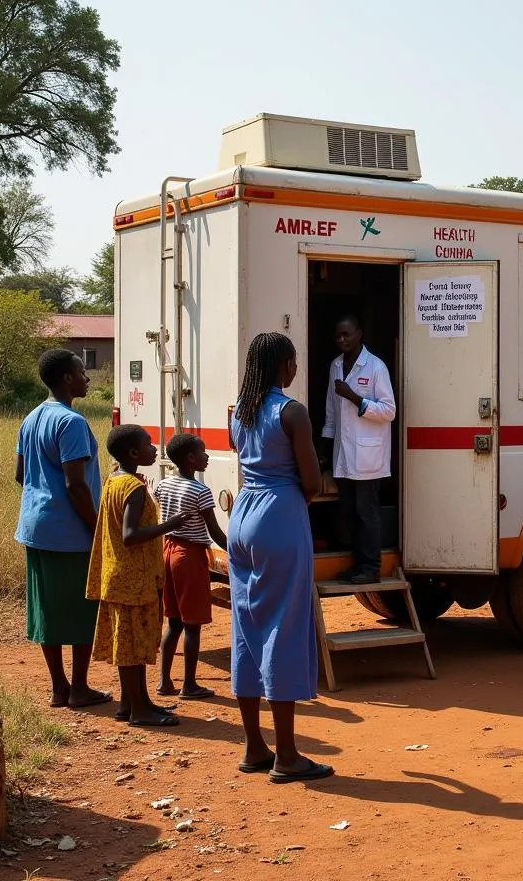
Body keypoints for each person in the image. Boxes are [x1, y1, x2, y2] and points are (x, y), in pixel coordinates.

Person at [230, 331, 332, 783]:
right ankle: (287, 755)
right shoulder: (292, 412)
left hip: (243, 514)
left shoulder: (242, 412)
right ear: (283, 366)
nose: (295, 370)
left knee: (247, 624)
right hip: (279, 513)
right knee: (284, 628)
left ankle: (255, 746)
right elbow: (312, 481)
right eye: (293, 362)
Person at [14, 348, 110, 710]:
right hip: (70, 531)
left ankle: (59, 687)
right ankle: (80, 688)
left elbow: (20, 474)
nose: (87, 378)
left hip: (35, 527)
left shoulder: (32, 418)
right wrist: (97, 525)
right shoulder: (71, 423)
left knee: (47, 610)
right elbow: (76, 484)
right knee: (84, 608)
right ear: (67, 379)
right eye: (82, 371)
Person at [88, 425, 190, 728]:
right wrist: (169, 524)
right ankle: (138, 710)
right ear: (133, 453)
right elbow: (131, 534)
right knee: (132, 649)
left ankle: (133, 702)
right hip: (133, 579)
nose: (154, 448)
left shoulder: (114, 480)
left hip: (120, 576)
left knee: (131, 645)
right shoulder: (132, 488)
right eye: (148, 445)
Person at [321, 314, 396, 585]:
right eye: (338, 336)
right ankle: (357, 566)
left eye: (347, 334)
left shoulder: (375, 367)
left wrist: (354, 397)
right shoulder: (336, 366)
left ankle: (371, 567)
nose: (342, 340)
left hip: (368, 455)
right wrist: (326, 444)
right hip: (343, 453)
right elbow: (331, 409)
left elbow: (389, 411)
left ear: (359, 334)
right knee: (349, 512)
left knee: (367, 512)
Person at [156, 434, 228, 701]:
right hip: (190, 556)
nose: (206, 457)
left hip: (168, 550)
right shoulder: (201, 492)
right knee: (193, 623)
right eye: (203, 453)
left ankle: (164, 682)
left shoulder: (164, 484)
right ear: (190, 458)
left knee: (173, 622)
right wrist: (240, 551)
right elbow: (216, 534)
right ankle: (189, 684)